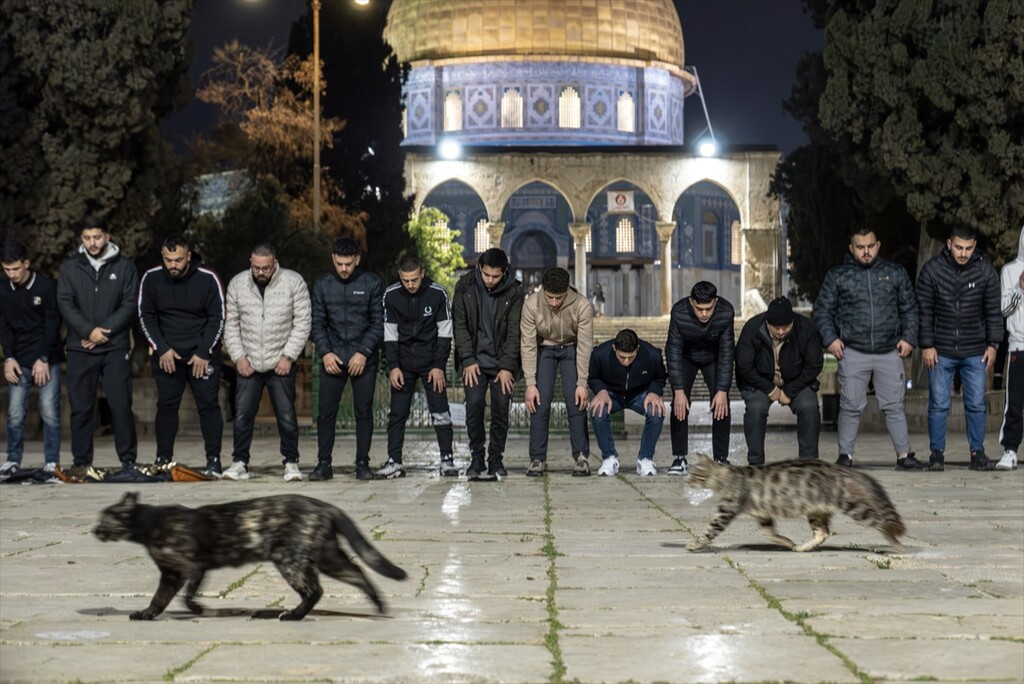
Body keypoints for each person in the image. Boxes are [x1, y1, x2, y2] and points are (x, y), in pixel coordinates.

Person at [813, 227, 920, 470]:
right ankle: (845, 456)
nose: (866, 251)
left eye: (870, 246)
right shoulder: (837, 276)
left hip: (889, 350)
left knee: (894, 406)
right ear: (851, 248)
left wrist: (909, 338)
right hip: (853, 351)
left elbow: (910, 308)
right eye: (860, 247)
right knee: (850, 405)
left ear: (878, 245)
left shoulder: (894, 273)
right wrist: (831, 339)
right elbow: (822, 310)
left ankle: (904, 455)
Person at [221, 243, 311, 482]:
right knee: (242, 415)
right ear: (250, 263)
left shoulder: (294, 282)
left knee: (287, 416)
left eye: (266, 268)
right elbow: (231, 325)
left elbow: (302, 322)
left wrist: (288, 356)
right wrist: (238, 357)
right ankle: (240, 462)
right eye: (256, 267)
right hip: (248, 363)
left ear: (275, 263)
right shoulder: (237, 284)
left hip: (280, 361)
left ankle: (291, 463)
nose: (261, 272)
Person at [138, 235, 225, 477]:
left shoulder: (208, 278)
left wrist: (204, 351)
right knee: (166, 406)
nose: (172, 265)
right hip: (168, 356)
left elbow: (218, 317)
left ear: (188, 256)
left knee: (208, 406)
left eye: (177, 260)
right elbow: (145, 316)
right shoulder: (151, 278)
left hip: (202, 355)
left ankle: (214, 461)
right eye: (168, 260)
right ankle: (163, 459)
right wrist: (161, 348)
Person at [917, 226, 1003, 471]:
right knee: (938, 404)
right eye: (958, 247)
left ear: (974, 246)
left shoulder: (985, 270)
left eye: (968, 248)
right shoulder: (932, 270)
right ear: (949, 244)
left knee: (976, 403)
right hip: (940, 350)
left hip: (975, 349)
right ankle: (936, 455)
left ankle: (977, 453)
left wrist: (993, 344)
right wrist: (927, 345)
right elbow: (924, 310)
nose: (963, 253)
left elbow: (993, 311)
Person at [57, 216, 139, 469]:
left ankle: (128, 461)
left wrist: (103, 332)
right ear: (81, 239)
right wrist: (88, 331)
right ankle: (81, 463)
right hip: (80, 346)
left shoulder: (125, 267)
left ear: (107, 236)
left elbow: (129, 303)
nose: (92, 242)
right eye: (87, 238)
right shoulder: (69, 268)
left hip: (115, 347)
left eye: (97, 237)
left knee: (121, 405)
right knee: (81, 408)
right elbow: (65, 303)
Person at [309, 237, 384, 481]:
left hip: (364, 358)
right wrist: (325, 352)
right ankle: (323, 464)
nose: (343, 268)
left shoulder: (372, 283)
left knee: (363, 411)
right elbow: (317, 323)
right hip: (333, 358)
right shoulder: (322, 284)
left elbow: (378, 323)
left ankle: (362, 464)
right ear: (333, 259)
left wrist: (363, 352)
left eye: (348, 264)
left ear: (357, 259)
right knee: (325, 413)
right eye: (339, 263)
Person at [377, 255, 455, 479]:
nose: (410, 284)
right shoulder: (391, 295)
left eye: (414, 279)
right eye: (405, 280)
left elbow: (445, 333)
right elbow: (390, 334)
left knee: (440, 411)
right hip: (403, 364)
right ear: (399, 276)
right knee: (397, 414)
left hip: (431, 363)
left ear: (422, 273)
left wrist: (439, 366)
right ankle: (394, 461)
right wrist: (393, 366)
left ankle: (447, 459)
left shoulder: (438, 294)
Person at [452, 247, 524, 480]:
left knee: (501, 409)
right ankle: (476, 458)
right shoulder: (465, 286)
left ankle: (495, 459)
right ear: (480, 268)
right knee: (474, 406)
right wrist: (467, 359)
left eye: (496, 276)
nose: (490, 280)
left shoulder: (515, 291)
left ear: (504, 272)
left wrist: (507, 367)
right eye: (486, 275)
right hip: (474, 361)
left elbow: (514, 332)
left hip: (502, 362)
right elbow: (460, 326)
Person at [0, 240, 65, 479]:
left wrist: (43, 357)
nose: (12, 274)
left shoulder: (47, 287)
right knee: (15, 413)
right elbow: (3, 326)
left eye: (16, 268)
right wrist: (8, 357)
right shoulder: (2, 289)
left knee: (49, 411)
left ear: (26, 264)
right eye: (7, 270)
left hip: (46, 358)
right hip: (18, 359)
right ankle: (12, 460)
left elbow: (53, 324)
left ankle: (51, 462)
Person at [521, 267, 593, 477]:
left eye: (558, 298)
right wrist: (530, 383)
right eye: (549, 297)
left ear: (566, 292)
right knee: (539, 403)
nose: (553, 302)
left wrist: (582, 383)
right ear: (543, 290)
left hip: (571, 349)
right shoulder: (531, 305)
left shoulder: (582, 305)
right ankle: (537, 458)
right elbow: (527, 345)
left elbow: (585, 345)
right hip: (545, 350)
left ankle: (581, 457)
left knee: (576, 401)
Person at [735, 296, 823, 465]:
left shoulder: (805, 328)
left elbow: (814, 365)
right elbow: (744, 366)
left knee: (809, 407)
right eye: (776, 328)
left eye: (786, 327)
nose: (781, 331)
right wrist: (771, 390)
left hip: (797, 382)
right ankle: (756, 464)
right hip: (760, 382)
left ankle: (809, 464)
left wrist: (789, 391)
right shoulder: (752, 328)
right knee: (755, 409)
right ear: (767, 323)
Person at [664, 281, 735, 475]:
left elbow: (727, 351)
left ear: (715, 302)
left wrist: (722, 390)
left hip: (714, 358)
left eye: (708, 309)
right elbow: (673, 350)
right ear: (691, 302)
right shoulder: (679, 312)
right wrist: (678, 390)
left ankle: (720, 458)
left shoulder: (726, 311)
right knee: (679, 404)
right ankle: (679, 458)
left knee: (722, 404)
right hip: (686, 357)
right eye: (699, 309)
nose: (704, 314)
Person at [588, 328, 666, 476]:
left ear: (637, 349)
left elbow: (660, 377)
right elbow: (593, 378)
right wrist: (601, 390)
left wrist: (654, 392)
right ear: (614, 348)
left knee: (656, 411)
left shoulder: (652, 355)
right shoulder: (599, 354)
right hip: (611, 394)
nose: (626, 361)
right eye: (622, 357)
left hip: (639, 394)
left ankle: (645, 459)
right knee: (598, 409)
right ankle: (609, 458)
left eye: (631, 357)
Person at [997, 226, 1023, 470]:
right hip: (1019, 346)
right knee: (1014, 402)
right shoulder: (1009, 270)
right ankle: (1010, 450)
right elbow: (1004, 310)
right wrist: (1019, 289)